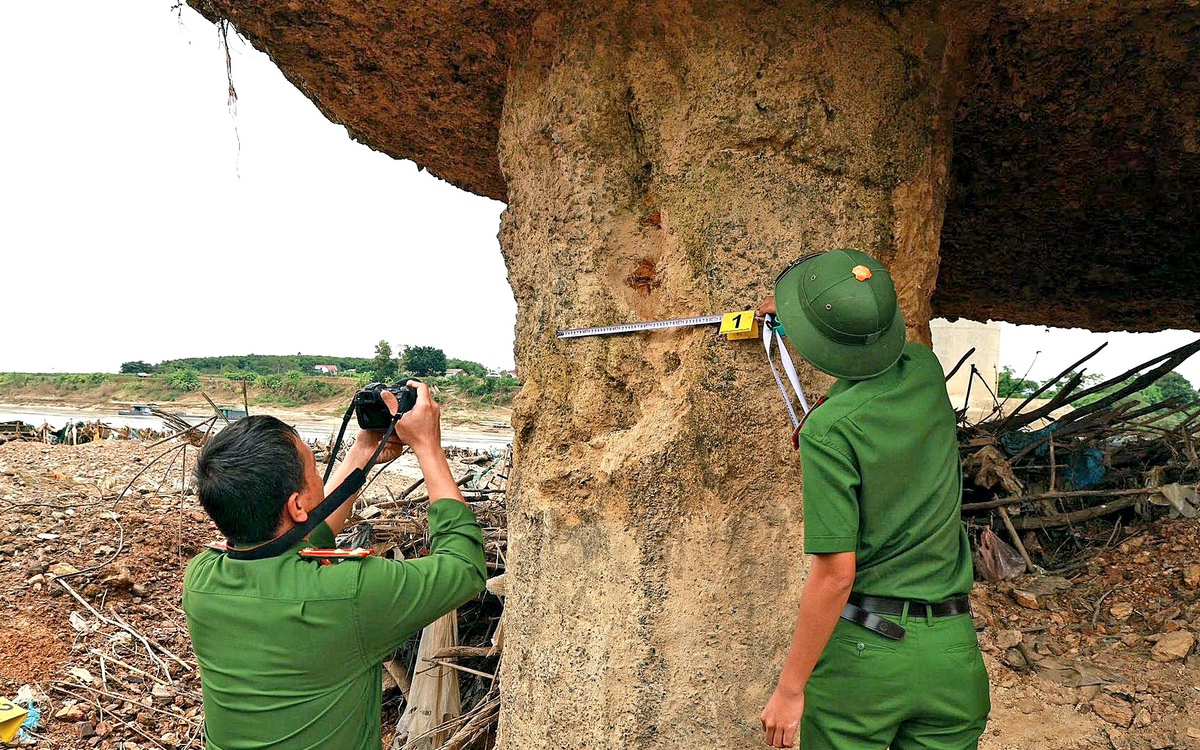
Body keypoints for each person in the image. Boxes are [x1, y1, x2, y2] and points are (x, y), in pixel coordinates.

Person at [758, 249, 990, 749]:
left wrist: (790, 690)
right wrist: (817, 320)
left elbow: (835, 575)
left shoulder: (827, 432)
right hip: (953, 654)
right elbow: (876, 358)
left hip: (866, 656)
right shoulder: (925, 370)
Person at [182, 381, 487, 750]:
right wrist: (428, 447)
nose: (319, 478)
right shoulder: (350, 593)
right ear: (296, 505)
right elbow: (464, 566)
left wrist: (364, 450)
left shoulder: (201, 578)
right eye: (314, 469)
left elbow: (299, 536)